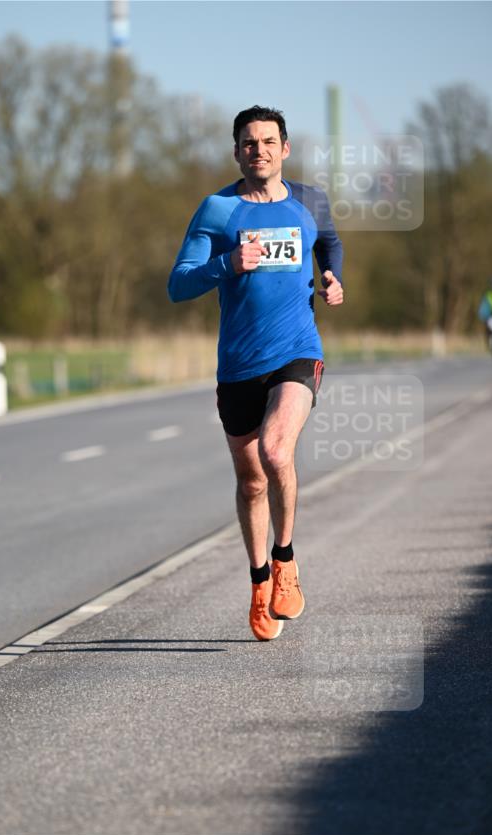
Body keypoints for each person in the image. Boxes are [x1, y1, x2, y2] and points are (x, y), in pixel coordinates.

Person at [168, 105, 344, 641]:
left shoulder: (309, 199)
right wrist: (227, 265)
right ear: (237, 151)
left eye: (269, 142)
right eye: (249, 143)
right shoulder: (218, 211)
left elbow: (329, 241)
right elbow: (179, 284)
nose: (259, 151)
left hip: (296, 351)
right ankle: (258, 581)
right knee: (250, 482)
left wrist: (333, 277)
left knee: (275, 452)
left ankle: (285, 560)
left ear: (284, 149)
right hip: (237, 366)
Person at [478, 277, 492, 357]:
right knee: (489, 332)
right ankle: (491, 345)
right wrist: (483, 315)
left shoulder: (488, 295)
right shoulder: (488, 295)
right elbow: (484, 307)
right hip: (491, 317)